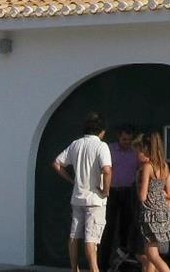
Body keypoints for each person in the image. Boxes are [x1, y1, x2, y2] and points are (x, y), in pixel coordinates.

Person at [52, 112, 112, 272]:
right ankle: (94, 269)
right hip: (95, 199)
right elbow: (107, 170)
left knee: (74, 235)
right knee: (91, 239)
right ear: (102, 131)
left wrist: (72, 180)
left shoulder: (76, 144)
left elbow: (57, 164)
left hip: (77, 197)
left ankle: (74, 268)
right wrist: (105, 190)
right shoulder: (101, 146)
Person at [135, 132, 170, 272]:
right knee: (150, 253)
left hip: (151, 215)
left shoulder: (148, 167)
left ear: (146, 148)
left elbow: (142, 196)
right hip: (163, 214)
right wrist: (160, 192)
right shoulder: (164, 166)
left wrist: (140, 187)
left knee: (152, 255)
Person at [103, 126, 141, 268]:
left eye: (129, 140)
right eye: (124, 139)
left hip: (128, 192)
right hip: (112, 192)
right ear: (119, 137)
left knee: (126, 228)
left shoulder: (135, 152)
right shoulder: (110, 149)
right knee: (108, 228)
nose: (127, 142)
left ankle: (123, 262)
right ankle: (104, 264)